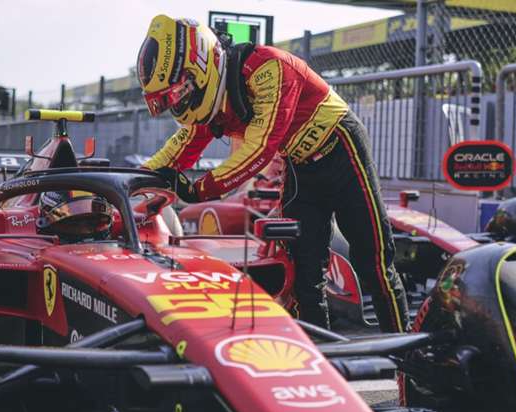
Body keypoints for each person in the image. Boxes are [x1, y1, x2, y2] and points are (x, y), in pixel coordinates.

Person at [136, 15, 408, 332]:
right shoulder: (215, 99)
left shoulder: (270, 68)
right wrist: (136, 180)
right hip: (300, 166)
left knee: (374, 262)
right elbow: (178, 148)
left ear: (198, 70)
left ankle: (408, 364)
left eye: (177, 95)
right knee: (305, 271)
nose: (178, 104)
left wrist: (199, 190)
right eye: (170, 100)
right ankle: (316, 360)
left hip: (342, 150)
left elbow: (260, 148)